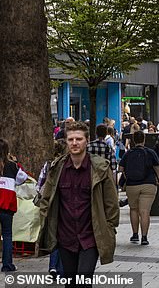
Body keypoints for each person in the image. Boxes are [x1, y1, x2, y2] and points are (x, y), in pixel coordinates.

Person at [38, 121, 119, 284]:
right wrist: (45, 222)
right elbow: (45, 199)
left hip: (90, 237)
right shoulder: (57, 168)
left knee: (84, 280)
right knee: (70, 282)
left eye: (79, 139)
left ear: (87, 141)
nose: (74, 143)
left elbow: (111, 204)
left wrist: (108, 229)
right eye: (71, 139)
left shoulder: (101, 168)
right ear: (66, 141)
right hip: (65, 237)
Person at [119, 130, 159, 245]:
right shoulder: (150, 152)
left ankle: (135, 235)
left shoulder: (128, 153)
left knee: (134, 209)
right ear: (144, 139)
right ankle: (144, 237)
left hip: (132, 185)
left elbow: (121, 169)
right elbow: (157, 167)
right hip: (149, 184)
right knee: (145, 211)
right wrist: (158, 179)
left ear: (133, 140)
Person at [36, 140, 67, 276]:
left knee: (54, 234)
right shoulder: (66, 164)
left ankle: (53, 266)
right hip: (63, 203)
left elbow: (39, 185)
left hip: (49, 203)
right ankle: (60, 268)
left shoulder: (48, 164)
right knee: (63, 236)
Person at [0, 139, 27, 272]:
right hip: (6, 203)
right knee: (7, 235)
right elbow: (23, 178)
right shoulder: (12, 166)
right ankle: (7, 264)